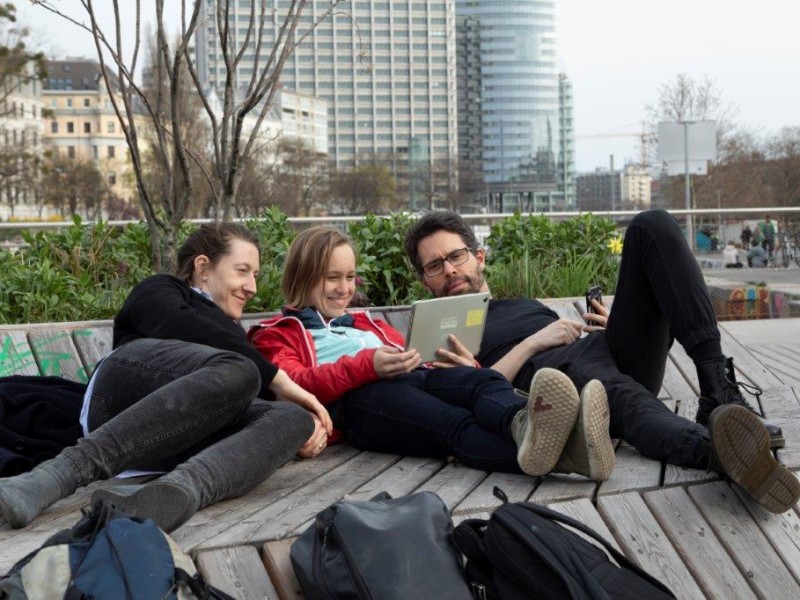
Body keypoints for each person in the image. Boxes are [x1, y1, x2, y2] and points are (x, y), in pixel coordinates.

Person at [404, 210, 798, 514]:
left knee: (651, 225)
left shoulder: (519, 304)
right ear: (425, 281)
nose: (450, 269)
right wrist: (534, 342)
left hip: (605, 350)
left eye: (455, 256)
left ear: (479, 257)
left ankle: (719, 392)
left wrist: (615, 331)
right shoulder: (439, 339)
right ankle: (721, 451)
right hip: (560, 380)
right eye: (435, 265)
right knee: (621, 397)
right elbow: (483, 395)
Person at [0, 223, 326, 532]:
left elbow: (250, 403)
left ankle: (178, 492)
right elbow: (180, 325)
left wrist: (308, 432)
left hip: (177, 443)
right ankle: (54, 476)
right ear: (203, 266)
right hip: (119, 398)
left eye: (255, 275)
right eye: (242, 271)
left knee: (292, 417)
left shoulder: (232, 334)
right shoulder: (163, 289)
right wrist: (277, 379)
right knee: (241, 370)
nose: (252, 287)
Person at [249, 226, 617, 482]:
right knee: (452, 424)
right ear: (302, 275)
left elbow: (415, 360)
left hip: (413, 380)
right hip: (361, 405)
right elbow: (292, 385)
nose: (344, 288)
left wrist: (454, 365)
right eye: (333, 278)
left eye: (350, 277)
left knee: (479, 380)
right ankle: (567, 448)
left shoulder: (367, 324)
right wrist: (368, 365)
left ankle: (524, 424)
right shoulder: (276, 334)